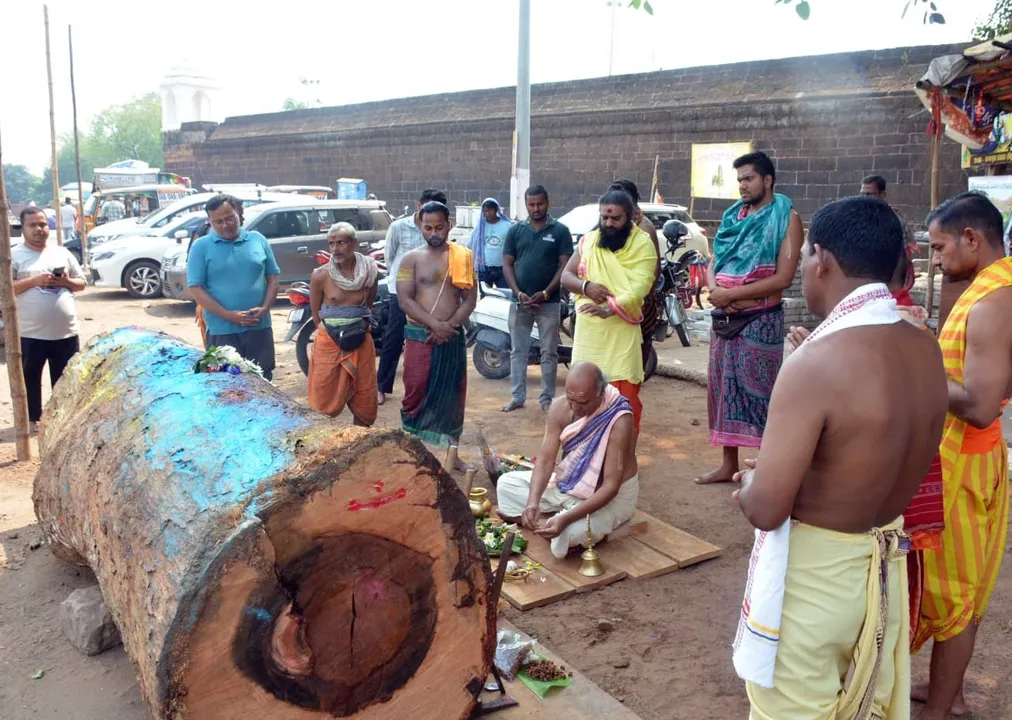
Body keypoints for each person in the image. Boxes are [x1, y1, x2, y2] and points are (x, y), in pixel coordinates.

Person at [732, 196, 947, 719]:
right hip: (884, 575)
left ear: (821, 259)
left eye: (804, 255)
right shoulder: (925, 347)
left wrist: (748, 483)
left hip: (817, 584)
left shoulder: (816, 362)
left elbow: (766, 508)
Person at [910, 192, 1012, 720]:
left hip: (967, 464)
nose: (936, 259)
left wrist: (914, 364)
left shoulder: (995, 300)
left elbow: (976, 404)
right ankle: (947, 691)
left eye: (940, 246)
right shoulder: (985, 291)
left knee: (954, 598)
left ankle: (943, 707)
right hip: (967, 459)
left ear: (972, 239)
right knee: (962, 591)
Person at [695, 151, 803, 485]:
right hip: (724, 318)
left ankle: (767, 467)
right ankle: (729, 465)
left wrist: (732, 295)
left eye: (749, 178)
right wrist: (715, 290)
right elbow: (715, 260)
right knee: (722, 387)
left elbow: (783, 277)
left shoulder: (787, 217)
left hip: (761, 319)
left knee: (761, 393)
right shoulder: (733, 218)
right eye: (739, 179)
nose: (742, 185)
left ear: (767, 180)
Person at [497, 362, 638, 558]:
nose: (575, 407)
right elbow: (546, 461)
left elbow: (611, 486)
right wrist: (532, 502)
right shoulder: (559, 407)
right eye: (571, 399)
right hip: (569, 486)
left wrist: (566, 520)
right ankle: (554, 517)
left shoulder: (619, 419)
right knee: (505, 484)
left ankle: (562, 520)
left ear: (601, 393)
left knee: (568, 534)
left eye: (583, 402)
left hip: (609, 496)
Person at [560, 189, 657, 432]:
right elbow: (566, 276)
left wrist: (610, 309)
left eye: (616, 218)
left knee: (624, 403)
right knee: (583, 399)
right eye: (605, 217)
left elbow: (641, 287)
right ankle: (585, 459)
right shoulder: (589, 241)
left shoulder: (643, 244)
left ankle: (621, 463)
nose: (609, 223)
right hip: (589, 335)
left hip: (622, 334)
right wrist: (587, 286)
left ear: (630, 217)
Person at [396, 201, 478, 448]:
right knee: (415, 393)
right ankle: (413, 453)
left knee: (454, 396)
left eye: (439, 227)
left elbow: (470, 299)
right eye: (428, 227)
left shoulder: (463, 257)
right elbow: (404, 300)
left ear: (449, 226)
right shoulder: (410, 260)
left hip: (451, 336)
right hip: (420, 336)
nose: (433, 233)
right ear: (420, 226)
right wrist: (435, 325)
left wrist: (448, 326)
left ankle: (453, 455)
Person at [187, 194, 280, 380]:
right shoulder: (201, 247)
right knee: (225, 383)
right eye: (217, 222)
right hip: (222, 331)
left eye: (229, 218)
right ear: (210, 221)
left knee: (263, 379)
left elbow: (273, 279)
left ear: (238, 212)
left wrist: (264, 308)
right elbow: (196, 289)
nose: (225, 225)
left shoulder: (258, 240)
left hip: (259, 327)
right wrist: (229, 316)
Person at [11, 207, 87, 433]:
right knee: (29, 379)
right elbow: (5, 289)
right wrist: (34, 281)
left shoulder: (61, 253)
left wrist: (65, 282)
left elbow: (82, 283)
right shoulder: (12, 256)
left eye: (42, 224)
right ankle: (32, 421)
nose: (39, 229)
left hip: (65, 333)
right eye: (33, 225)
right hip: (29, 333)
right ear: (22, 228)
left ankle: (61, 422)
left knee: (65, 381)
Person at [502, 186, 574, 413]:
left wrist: (545, 293)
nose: (536, 208)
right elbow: (507, 263)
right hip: (520, 302)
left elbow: (565, 266)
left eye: (540, 204)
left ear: (548, 202)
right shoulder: (516, 231)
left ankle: (546, 400)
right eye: (531, 204)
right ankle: (517, 397)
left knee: (549, 352)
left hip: (549, 303)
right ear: (526, 204)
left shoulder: (560, 231)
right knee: (518, 351)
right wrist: (518, 292)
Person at [377, 188, 448, 407]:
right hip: (402, 294)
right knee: (394, 338)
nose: (433, 228)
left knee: (430, 339)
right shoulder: (399, 227)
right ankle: (381, 387)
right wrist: (404, 285)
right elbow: (390, 259)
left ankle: (431, 391)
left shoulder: (441, 232)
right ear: (419, 207)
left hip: (430, 294)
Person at [307, 223, 380, 426]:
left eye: (341, 243)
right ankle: (323, 446)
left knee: (365, 394)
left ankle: (360, 442)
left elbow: (368, 306)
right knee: (322, 397)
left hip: (361, 339)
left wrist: (357, 329)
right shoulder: (320, 275)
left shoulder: (369, 272)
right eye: (331, 244)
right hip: (329, 342)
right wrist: (334, 334)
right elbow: (316, 316)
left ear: (354, 243)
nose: (335, 249)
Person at [608, 179, 662, 372]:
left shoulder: (644, 228)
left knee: (631, 366)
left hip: (638, 303)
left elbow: (654, 270)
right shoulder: (612, 226)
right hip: (612, 300)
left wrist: (638, 298)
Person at [471, 198, 512, 288]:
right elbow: (471, 245)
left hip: (502, 268)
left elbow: (512, 246)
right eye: (485, 211)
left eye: (490, 211)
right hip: (484, 268)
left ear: (496, 210)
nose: (488, 214)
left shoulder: (507, 226)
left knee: (504, 295)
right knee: (485, 296)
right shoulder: (480, 227)